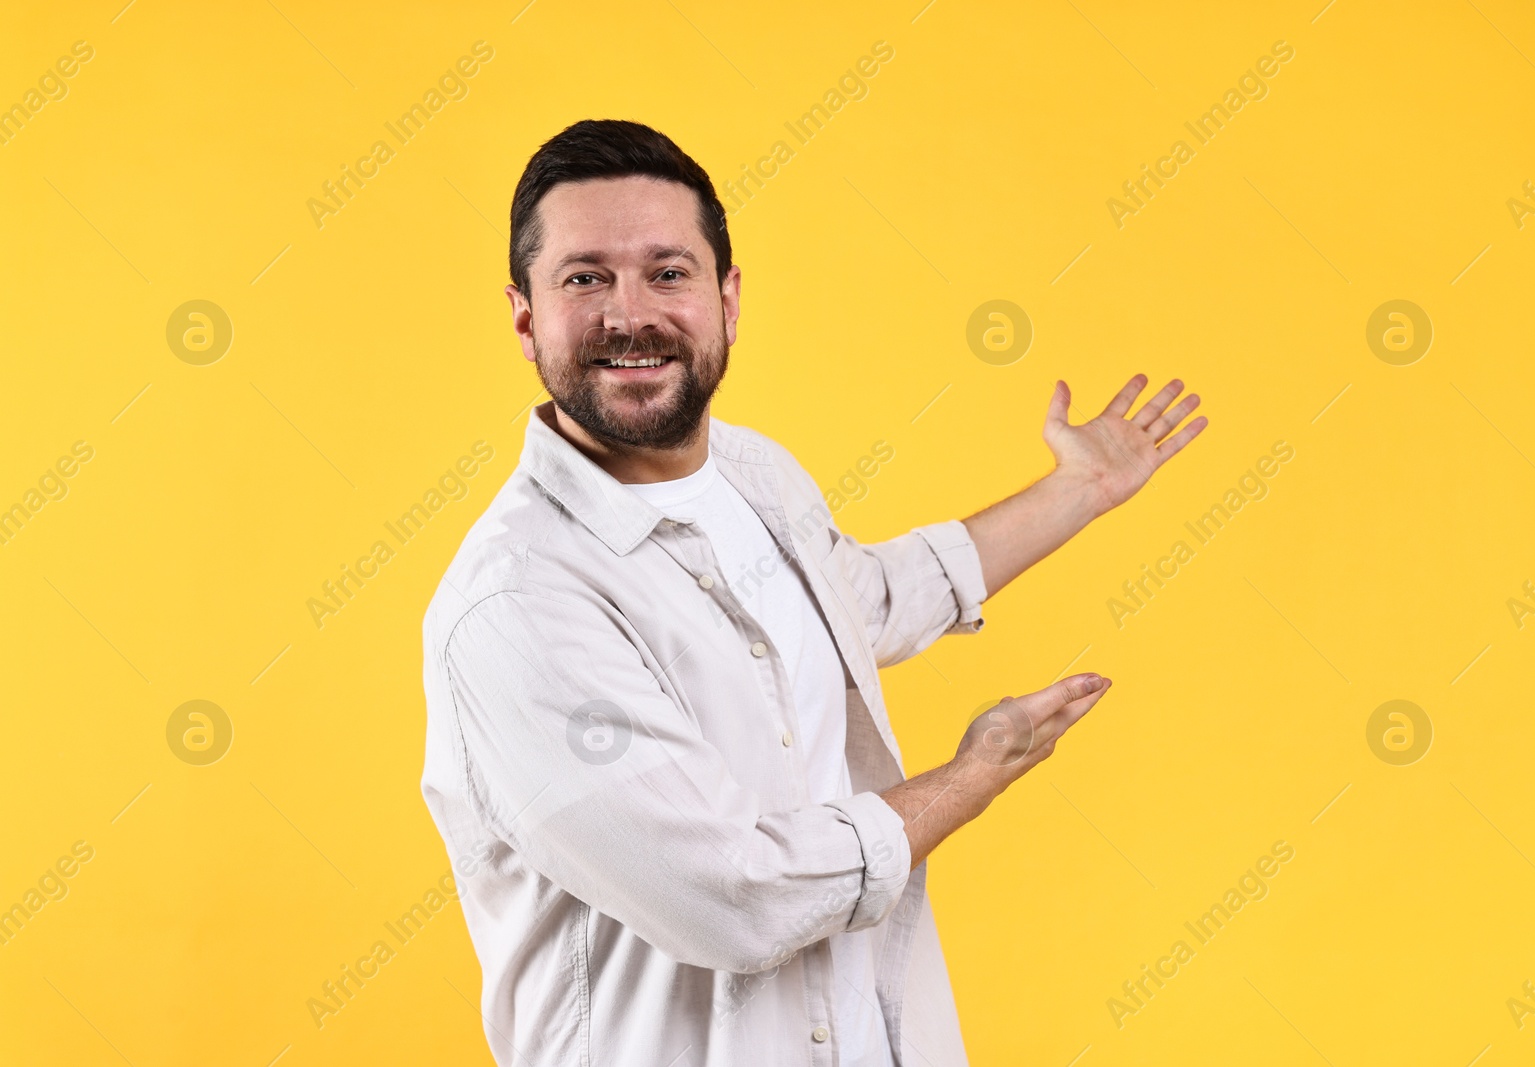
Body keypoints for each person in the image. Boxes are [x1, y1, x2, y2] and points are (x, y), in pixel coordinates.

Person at [419, 118, 1206, 1067]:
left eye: (668, 272)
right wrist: (973, 775)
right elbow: (730, 898)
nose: (630, 314)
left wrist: (1078, 490)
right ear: (524, 316)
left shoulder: (756, 476)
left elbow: (863, 601)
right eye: (585, 278)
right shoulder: (517, 603)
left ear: (728, 299)